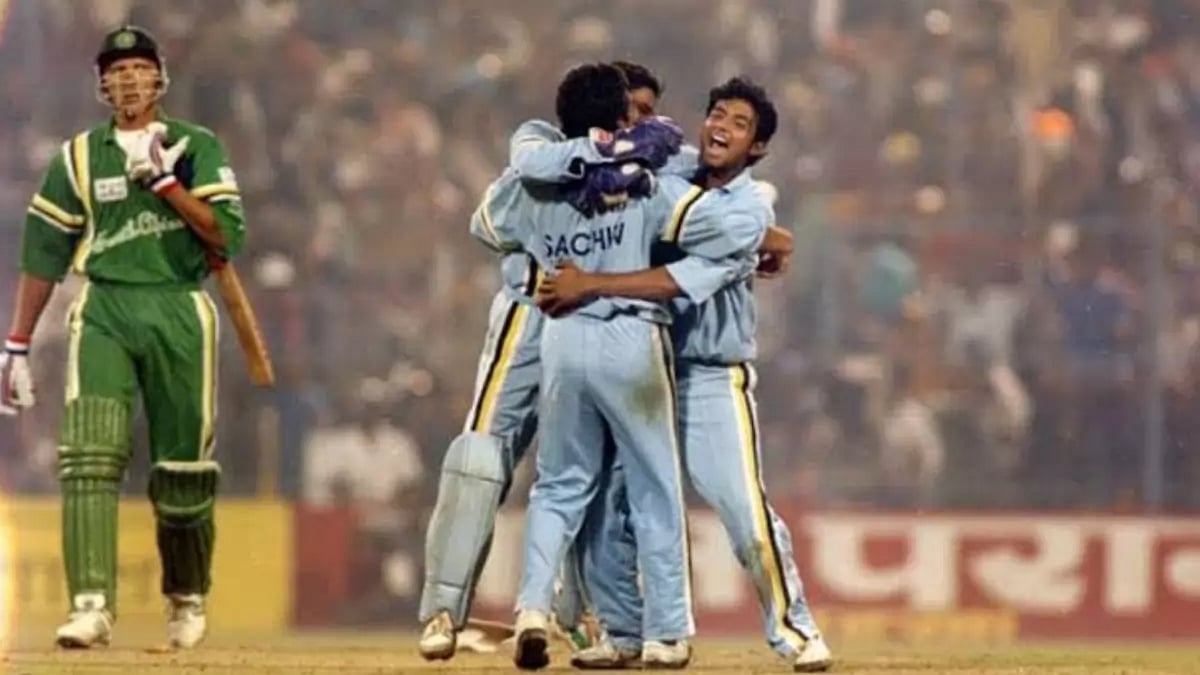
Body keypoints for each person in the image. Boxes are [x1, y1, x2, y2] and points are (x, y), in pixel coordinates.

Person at [472, 62, 772, 670]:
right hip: (631, 340)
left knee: (557, 487)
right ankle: (664, 635)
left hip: (559, 339)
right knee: (654, 491)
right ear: (620, 115)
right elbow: (721, 228)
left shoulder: (537, 183)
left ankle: (532, 607)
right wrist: (767, 236)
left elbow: (488, 228)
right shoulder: (649, 180)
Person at [534, 77, 834, 672]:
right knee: (607, 506)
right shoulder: (671, 167)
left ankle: (796, 631)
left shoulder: (747, 209)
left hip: (709, 375)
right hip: (640, 362)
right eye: (717, 113)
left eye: (740, 123)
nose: (722, 126)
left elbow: (671, 279)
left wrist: (589, 284)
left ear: (758, 149)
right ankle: (622, 632)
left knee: (743, 510)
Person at [416, 60, 677, 660]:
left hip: (608, 320)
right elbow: (486, 223)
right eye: (630, 110)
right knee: (482, 455)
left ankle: (581, 613)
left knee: (590, 477)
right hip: (529, 315)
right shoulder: (542, 148)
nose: (641, 121)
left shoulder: (655, 170)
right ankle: (441, 612)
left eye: (648, 112)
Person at [0, 25, 245, 649]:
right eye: (116, 71)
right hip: (104, 304)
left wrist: (165, 184)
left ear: (160, 77)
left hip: (180, 307)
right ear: (102, 84)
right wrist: (18, 343)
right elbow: (44, 252)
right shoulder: (77, 156)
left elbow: (225, 235)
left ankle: (186, 596)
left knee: (183, 472)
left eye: (139, 68)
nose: (128, 80)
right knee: (88, 455)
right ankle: (90, 605)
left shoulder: (196, 145)